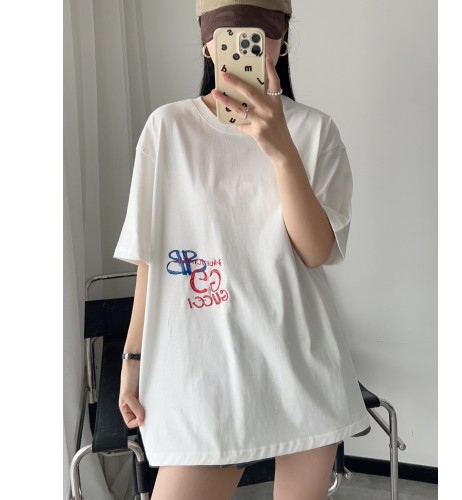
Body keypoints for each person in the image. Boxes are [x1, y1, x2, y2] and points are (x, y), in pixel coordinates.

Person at [114, 1, 371, 499]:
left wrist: (281, 148)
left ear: (283, 41)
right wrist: (133, 359)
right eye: (227, 32)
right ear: (207, 45)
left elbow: (315, 251)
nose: (244, 45)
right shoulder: (167, 129)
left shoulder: (315, 131)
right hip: (203, 373)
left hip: (301, 365)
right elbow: (151, 257)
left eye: (260, 31)